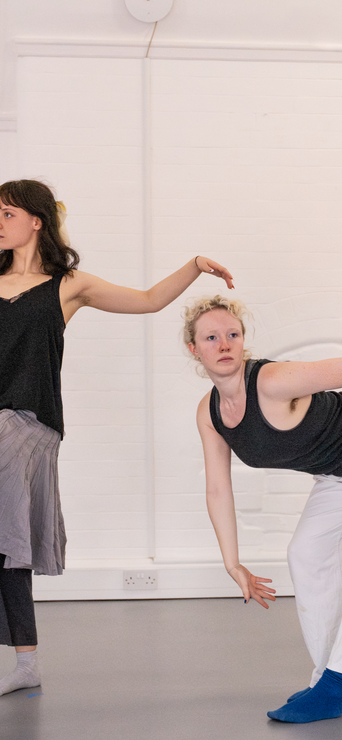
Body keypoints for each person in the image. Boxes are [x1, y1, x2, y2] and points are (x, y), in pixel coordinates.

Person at [0, 178, 234, 696]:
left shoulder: (68, 285)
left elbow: (149, 300)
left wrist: (194, 265)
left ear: (36, 221)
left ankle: (24, 662)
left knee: (7, 535)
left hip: (26, 423)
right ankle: (26, 662)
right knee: (5, 544)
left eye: (6, 213)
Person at [185, 294, 342, 723]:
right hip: (339, 469)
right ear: (194, 348)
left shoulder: (268, 381)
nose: (223, 344)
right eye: (211, 337)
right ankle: (338, 674)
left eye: (233, 334)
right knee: (307, 553)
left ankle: (332, 685)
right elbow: (217, 490)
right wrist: (233, 563)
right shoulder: (210, 413)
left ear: (244, 342)